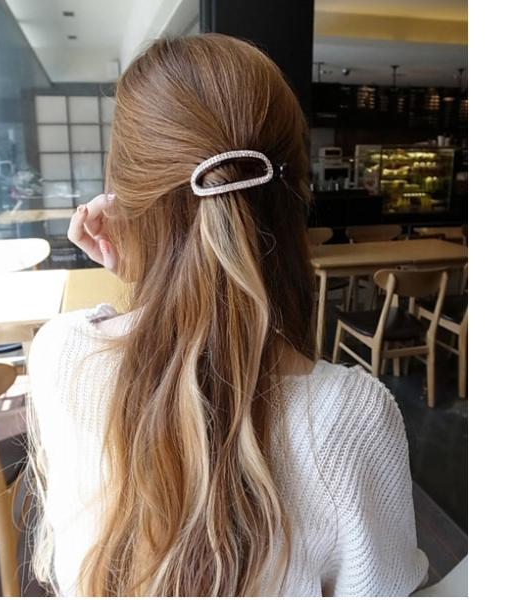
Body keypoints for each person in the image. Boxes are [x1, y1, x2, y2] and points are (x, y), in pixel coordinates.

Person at [26, 33, 428, 596]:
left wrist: (149, 272)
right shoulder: (351, 419)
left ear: (126, 196)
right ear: (296, 194)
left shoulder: (60, 353)